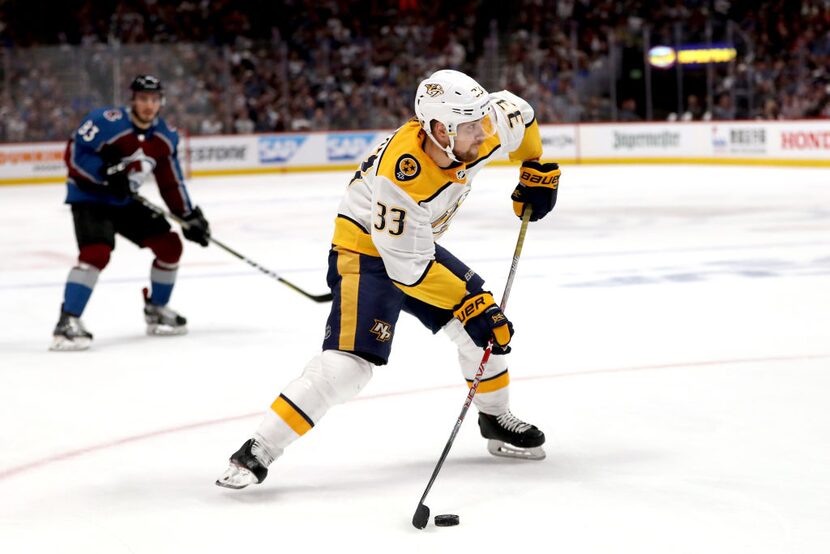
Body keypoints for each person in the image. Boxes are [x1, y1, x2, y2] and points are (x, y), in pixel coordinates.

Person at [216, 69, 561, 489]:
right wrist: (473, 304)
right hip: (365, 253)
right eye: (470, 128)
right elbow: (409, 271)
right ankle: (258, 449)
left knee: (485, 333)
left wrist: (534, 167)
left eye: (482, 122)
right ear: (439, 130)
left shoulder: (480, 127)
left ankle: (494, 417)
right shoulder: (401, 176)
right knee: (348, 369)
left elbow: (521, 116)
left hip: (416, 247)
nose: (482, 134)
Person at [50, 75, 211, 351]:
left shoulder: (164, 136)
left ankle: (157, 309)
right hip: (90, 198)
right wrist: (105, 173)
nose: (149, 105)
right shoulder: (106, 121)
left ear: (160, 102)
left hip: (124, 201)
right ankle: (67, 321)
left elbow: (171, 181)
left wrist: (189, 215)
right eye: (143, 99)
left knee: (170, 247)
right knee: (96, 253)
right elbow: (76, 154)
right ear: (133, 100)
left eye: (154, 99)